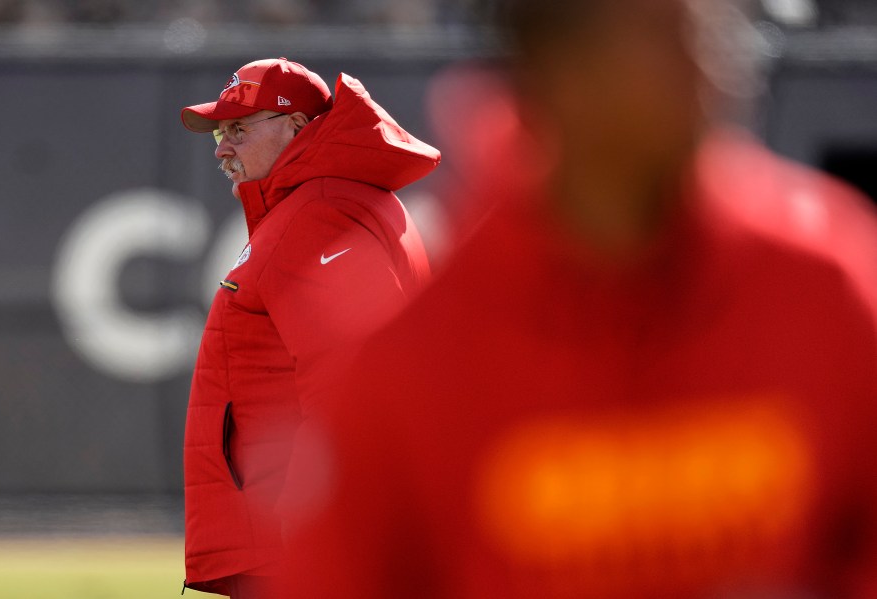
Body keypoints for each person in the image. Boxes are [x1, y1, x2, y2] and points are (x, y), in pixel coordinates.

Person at [279, 1, 877, 597]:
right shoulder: (416, 356)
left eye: (721, 34)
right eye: (664, 38)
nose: (714, 67)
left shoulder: (825, 282)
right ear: (557, 73)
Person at [178, 57, 439, 597]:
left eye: (239, 130)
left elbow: (352, 388)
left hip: (297, 547)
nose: (223, 148)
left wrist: (322, 534)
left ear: (297, 127)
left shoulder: (319, 212)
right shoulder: (337, 200)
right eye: (220, 133)